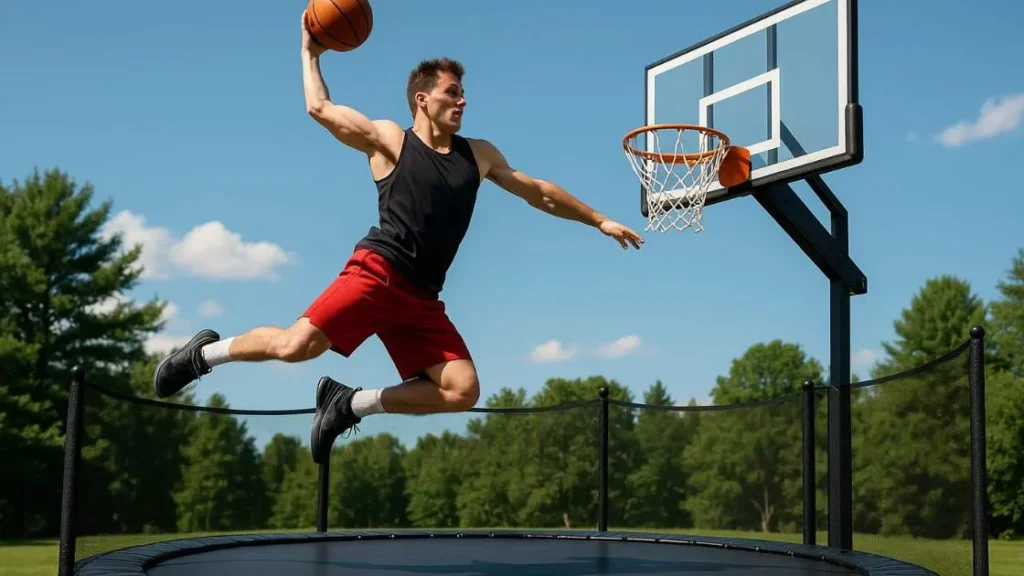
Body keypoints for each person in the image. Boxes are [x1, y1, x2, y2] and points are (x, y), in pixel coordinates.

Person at [152, 11, 645, 464]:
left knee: (461, 389)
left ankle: (351, 404)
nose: (463, 100)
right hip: (377, 274)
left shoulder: (480, 154)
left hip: (422, 299)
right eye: (453, 92)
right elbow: (319, 108)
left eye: (464, 93)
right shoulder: (391, 139)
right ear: (422, 99)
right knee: (294, 347)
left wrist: (597, 218)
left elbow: (537, 191)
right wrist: (310, 51)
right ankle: (202, 353)